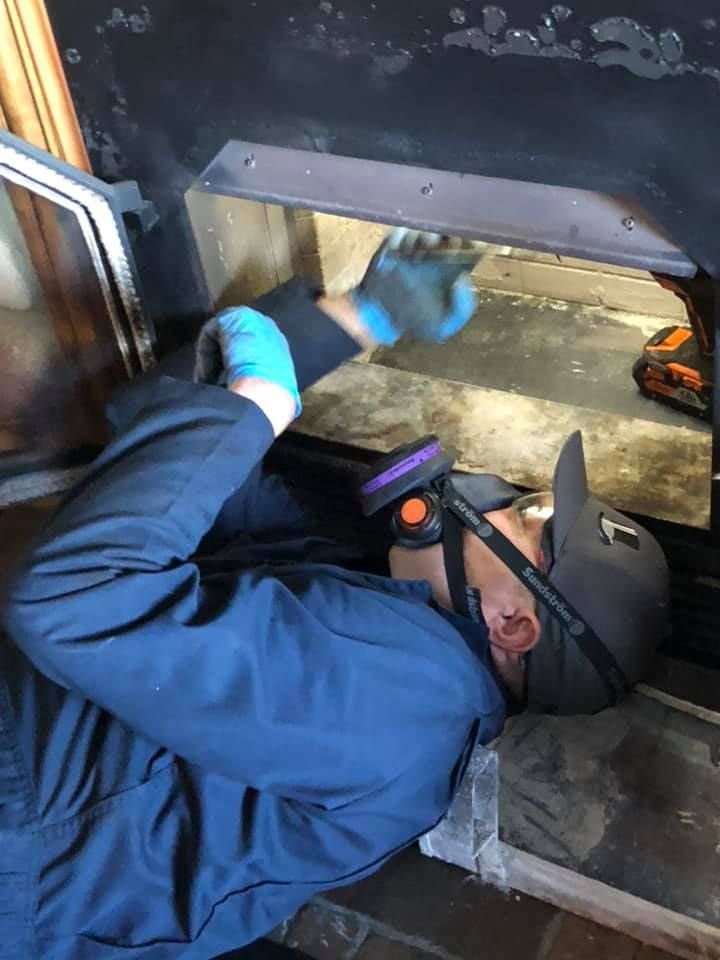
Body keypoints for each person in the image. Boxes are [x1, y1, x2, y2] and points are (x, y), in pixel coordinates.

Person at [1, 231, 669, 960]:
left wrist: (256, 407)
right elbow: (155, 433)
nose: (497, 498)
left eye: (528, 519)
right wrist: (360, 318)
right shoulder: (380, 600)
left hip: (25, 836)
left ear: (512, 623)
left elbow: (73, 593)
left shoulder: (399, 694)